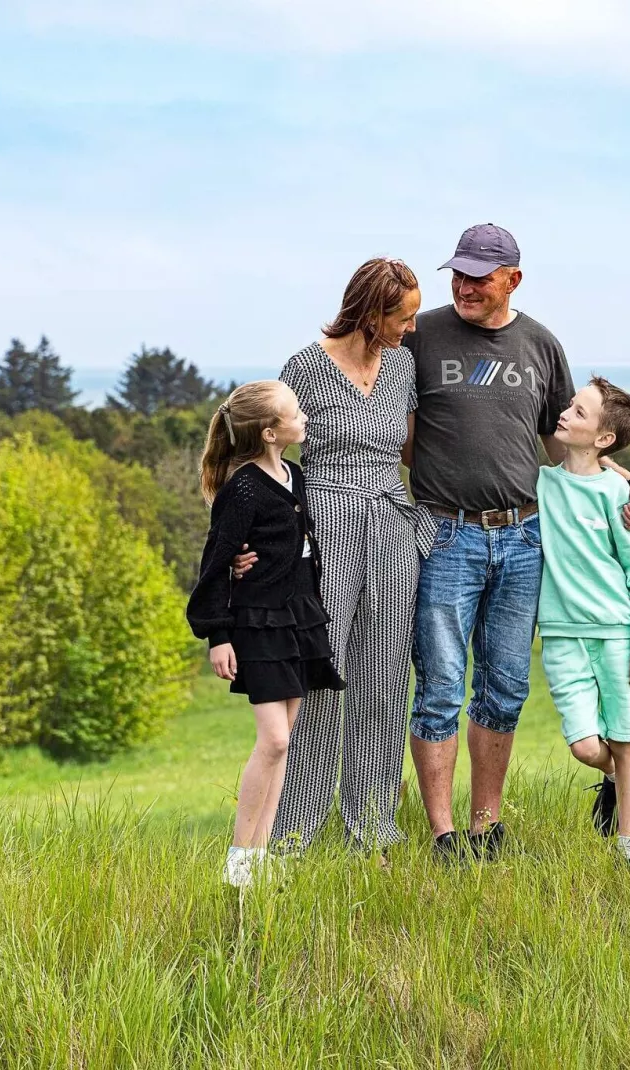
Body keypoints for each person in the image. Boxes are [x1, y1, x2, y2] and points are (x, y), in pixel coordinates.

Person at [404, 224, 630, 862]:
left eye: (478, 278)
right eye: (457, 274)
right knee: (439, 685)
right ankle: (443, 835)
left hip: (522, 537)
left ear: (512, 279)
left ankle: (487, 828)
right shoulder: (422, 335)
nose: (464, 287)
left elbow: (567, 442)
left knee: (505, 684)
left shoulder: (541, 344)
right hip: (443, 533)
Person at [257, 258, 427, 853]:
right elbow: (264, 452)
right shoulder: (303, 367)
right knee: (321, 668)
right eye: (402, 318)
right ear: (370, 312)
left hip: (390, 528)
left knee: (383, 675)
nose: (410, 328)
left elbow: (412, 449)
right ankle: (295, 828)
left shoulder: (403, 364)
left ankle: (372, 824)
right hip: (324, 526)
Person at [185, 379, 346, 888]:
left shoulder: (293, 475)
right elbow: (215, 559)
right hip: (257, 621)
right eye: (297, 413)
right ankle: (238, 857)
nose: (305, 419)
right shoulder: (243, 488)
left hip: (298, 616)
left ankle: (261, 854)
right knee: (273, 739)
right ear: (272, 432)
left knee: (285, 743)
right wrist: (219, 635)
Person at [535, 377, 630, 864]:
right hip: (562, 636)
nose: (565, 414)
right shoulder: (542, 483)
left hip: (617, 637)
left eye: (579, 413)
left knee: (625, 740)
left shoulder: (617, 497)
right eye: (570, 406)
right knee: (586, 746)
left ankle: (626, 847)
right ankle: (611, 778)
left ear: (603, 438)